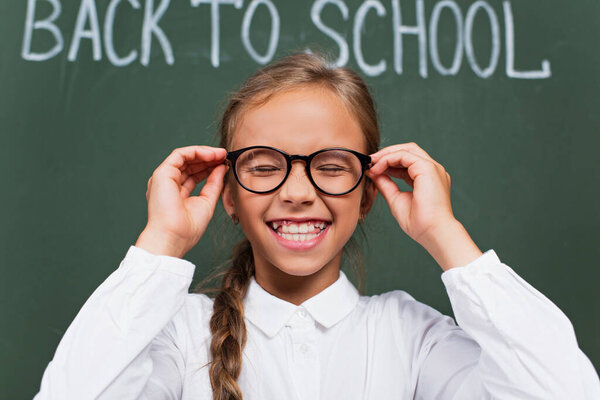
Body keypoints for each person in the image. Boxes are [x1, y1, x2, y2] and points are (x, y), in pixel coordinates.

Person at [34, 52, 599, 400]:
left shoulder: (410, 338)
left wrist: (445, 235)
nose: (299, 192)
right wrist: (161, 243)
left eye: (331, 167)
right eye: (263, 166)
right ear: (228, 194)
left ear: (369, 191)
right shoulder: (179, 336)